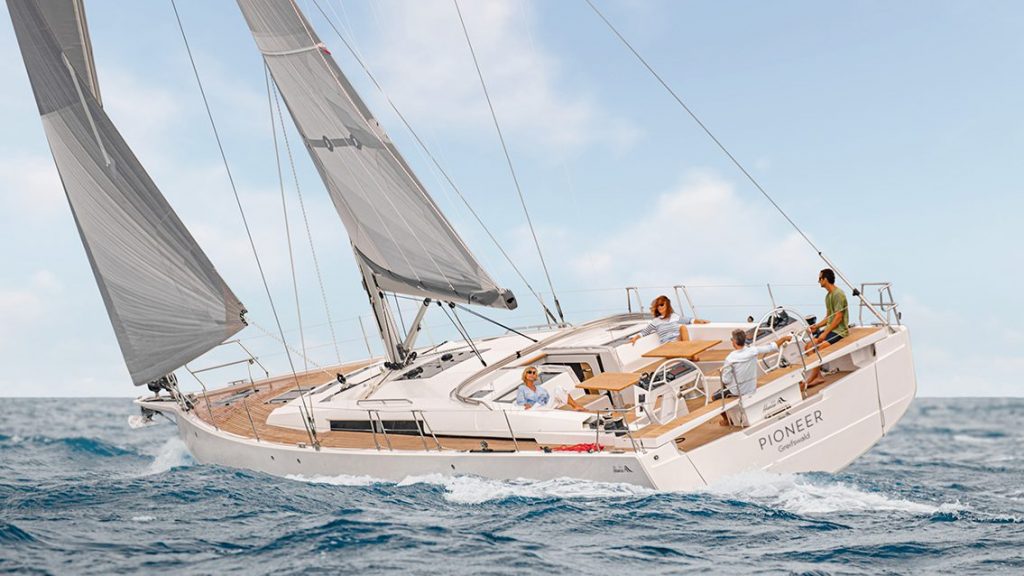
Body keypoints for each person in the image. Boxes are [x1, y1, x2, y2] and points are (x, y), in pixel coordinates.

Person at [718, 329, 792, 425]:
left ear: (734, 342)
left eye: (732, 339)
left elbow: (726, 380)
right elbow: (771, 347)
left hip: (737, 391)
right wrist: (784, 338)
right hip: (751, 387)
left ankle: (727, 420)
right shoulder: (753, 350)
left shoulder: (730, 358)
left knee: (715, 396)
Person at [803, 268, 849, 389]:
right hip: (831, 329)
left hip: (840, 331)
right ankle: (818, 376)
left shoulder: (838, 294)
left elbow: (838, 318)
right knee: (808, 347)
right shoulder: (828, 296)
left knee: (821, 347)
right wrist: (817, 326)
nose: (818, 281)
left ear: (825, 279)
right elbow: (829, 317)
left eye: (820, 278)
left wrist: (825, 333)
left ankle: (811, 378)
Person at [629, 295, 708, 346]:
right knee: (692, 349)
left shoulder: (674, 316)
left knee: (683, 328)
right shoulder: (656, 321)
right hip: (667, 346)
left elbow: (689, 320)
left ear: (667, 305)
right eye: (657, 306)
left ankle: (689, 353)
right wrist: (635, 338)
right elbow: (645, 332)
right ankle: (690, 355)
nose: (659, 307)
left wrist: (700, 321)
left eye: (661, 305)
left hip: (678, 343)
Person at [515, 367, 586, 411]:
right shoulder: (522, 388)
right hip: (534, 409)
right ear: (525, 374)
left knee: (558, 389)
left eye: (534, 373)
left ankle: (575, 406)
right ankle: (575, 406)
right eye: (529, 372)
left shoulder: (538, 387)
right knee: (557, 393)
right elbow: (520, 402)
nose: (532, 374)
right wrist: (527, 404)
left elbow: (546, 397)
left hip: (543, 406)